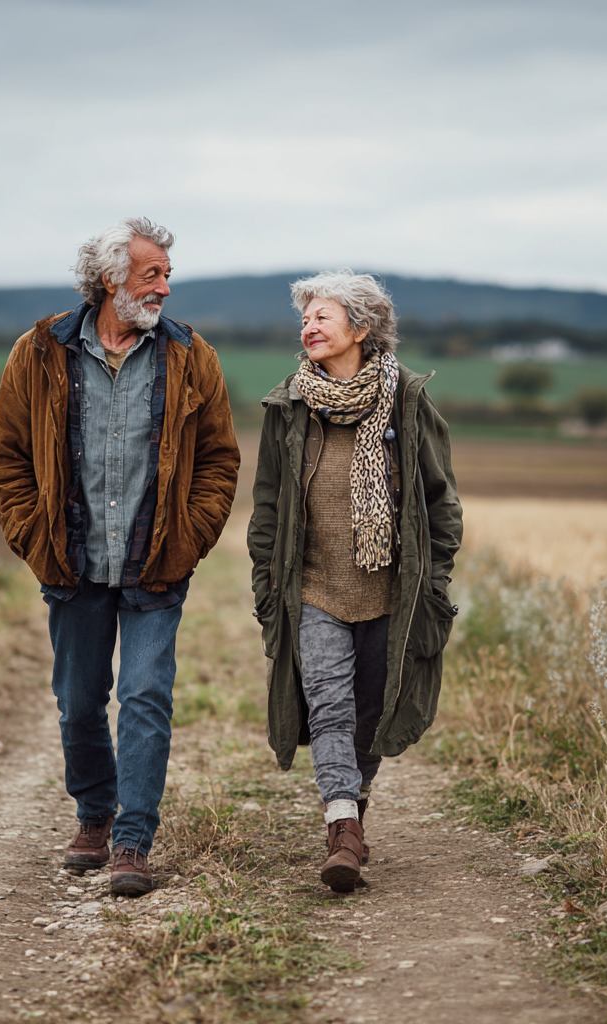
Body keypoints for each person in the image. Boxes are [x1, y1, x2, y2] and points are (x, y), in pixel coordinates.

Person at [0, 217, 240, 896]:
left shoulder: (191, 356)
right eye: (151, 273)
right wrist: (31, 535)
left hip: (156, 561)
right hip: (71, 562)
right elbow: (8, 458)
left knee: (146, 695)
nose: (163, 286)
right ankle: (94, 815)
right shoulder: (40, 351)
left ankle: (132, 839)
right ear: (109, 279)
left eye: (166, 275)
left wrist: (191, 535)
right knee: (77, 701)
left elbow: (220, 459)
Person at [247, 270, 462, 893]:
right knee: (329, 704)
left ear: (361, 330)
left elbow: (440, 502)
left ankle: (355, 806)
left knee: (370, 712)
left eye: (323, 317)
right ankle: (342, 827)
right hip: (313, 589)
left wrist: (434, 580)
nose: (309, 327)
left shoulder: (408, 403)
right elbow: (267, 507)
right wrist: (267, 586)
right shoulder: (287, 407)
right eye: (306, 318)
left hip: (391, 593)